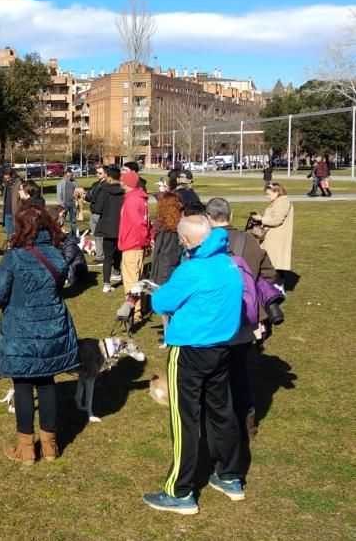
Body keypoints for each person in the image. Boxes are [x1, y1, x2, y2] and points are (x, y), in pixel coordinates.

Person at [142, 215, 245, 515]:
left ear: (186, 242)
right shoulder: (228, 263)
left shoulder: (192, 270)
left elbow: (160, 304)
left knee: (184, 418)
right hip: (221, 348)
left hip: (189, 350)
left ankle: (179, 491)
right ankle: (229, 475)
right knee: (221, 411)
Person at [0, 204, 80, 464]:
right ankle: (50, 445)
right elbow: (59, 282)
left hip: (21, 328)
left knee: (23, 385)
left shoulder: (14, 257)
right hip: (51, 325)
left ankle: (26, 448)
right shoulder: (56, 255)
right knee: (47, 383)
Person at [207, 196, 277, 473]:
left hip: (213, 321)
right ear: (231, 214)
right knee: (239, 371)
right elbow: (269, 275)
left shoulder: (203, 243)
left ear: (209, 218)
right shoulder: (250, 242)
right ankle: (247, 421)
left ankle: (218, 426)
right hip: (245, 320)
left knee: (214, 375)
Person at [147, 192, 185, 346]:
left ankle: (170, 336)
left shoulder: (166, 228)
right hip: (169, 265)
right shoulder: (177, 225)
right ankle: (170, 332)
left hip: (165, 267)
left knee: (166, 304)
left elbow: (166, 252)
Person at [118, 169, 152, 319]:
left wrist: (144, 240)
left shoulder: (132, 200)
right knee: (138, 278)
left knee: (131, 279)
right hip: (137, 244)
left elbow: (139, 224)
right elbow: (146, 222)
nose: (120, 182)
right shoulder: (140, 198)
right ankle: (139, 307)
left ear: (127, 183)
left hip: (132, 244)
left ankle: (133, 311)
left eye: (122, 180)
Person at [250, 183, 294, 288]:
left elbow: (277, 220)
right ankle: (274, 287)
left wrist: (261, 219)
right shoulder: (277, 202)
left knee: (274, 263)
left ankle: (276, 288)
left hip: (276, 239)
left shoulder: (283, 202)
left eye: (269, 194)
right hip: (272, 237)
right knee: (271, 263)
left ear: (277, 192)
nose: (267, 196)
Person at [92, 166, 124, 292]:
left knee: (108, 256)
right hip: (121, 226)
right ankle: (116, 271)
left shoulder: (104, 190)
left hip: (107, 226)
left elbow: (97, 209)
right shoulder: (124, 191)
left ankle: (106, 283)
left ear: (109, 178)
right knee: (118, 252)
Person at [84, 164, 107, 266]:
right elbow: (88, 197)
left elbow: (98, 198)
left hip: (101, 214)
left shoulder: (107, 186)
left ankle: (102, 256)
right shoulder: (95, 184)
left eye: (100, 173)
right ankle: (99, 256)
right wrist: (89, 196)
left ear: (106, 174)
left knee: (102, 236)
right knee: (96, 236)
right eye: (97, 172)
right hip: (93, 212)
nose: (97, 174)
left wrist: (91, 197)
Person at [56, 169, 78, 235]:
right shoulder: (60, 183)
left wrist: (76, 198)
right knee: (61, 220)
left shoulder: (74, 182)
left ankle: (73, 234)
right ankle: (60, 234)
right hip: (64, 204)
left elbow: (75, 191)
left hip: (72, 204)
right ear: (65, 174)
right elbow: (59, 194)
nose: (69, 177)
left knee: (73, 220)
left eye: (71, 176)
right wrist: (61, 204)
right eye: (68, 176)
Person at [0, 169, 21, 238]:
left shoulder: (19, 184)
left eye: (8, 178)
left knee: (17, 235)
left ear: (13, 176)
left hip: (16, 213)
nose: (7, 180)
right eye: (5, 178)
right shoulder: (6, 184)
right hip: (7, 213)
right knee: (9, 235)